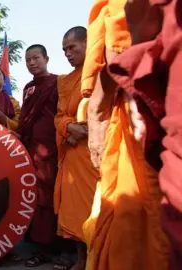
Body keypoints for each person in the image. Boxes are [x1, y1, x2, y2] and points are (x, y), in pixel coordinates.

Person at [81, 0, 169, 269]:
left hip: (146, 110)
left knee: (135, 218)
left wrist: (97, 107)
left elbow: (120, 43)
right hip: (151, 106)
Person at [17, 45, 66, 268]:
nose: (32, 63)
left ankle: (51, 246)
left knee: (49, 196)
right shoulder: (27, 88)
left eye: (36, 58)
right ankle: (38, 243)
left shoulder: (58, 83)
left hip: (51, 149)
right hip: (31, 148)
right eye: (28, 60)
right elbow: (25, 119)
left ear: (46, 58)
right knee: (34, 196)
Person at [53, 26, 98, 270]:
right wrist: (70, 128)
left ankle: (97, 259)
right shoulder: (66, 81)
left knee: (96, 209)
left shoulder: (102, 71)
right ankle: (81, 260)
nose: (68, 53)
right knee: (75, 212)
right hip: (73, 154)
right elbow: (59, 116)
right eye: (64, 50)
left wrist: (86, 130)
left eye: (72, 47)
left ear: (87, 43)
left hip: (95, 152)